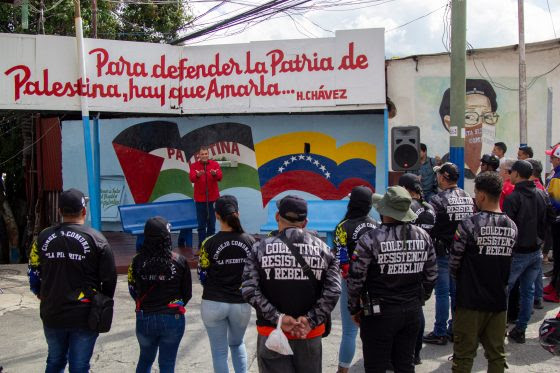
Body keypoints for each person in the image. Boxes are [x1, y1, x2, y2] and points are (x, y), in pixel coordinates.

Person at [242, 195, 341, 373]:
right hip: (309, 334)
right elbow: (333, 291)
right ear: (305, 222)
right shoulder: (325, 250)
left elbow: (249, 289)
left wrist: (278, 318)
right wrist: (310, 321)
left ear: (277, 217)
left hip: (271, 333)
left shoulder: (259, 249)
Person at [348, 186, 437, 373]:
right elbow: (431, 275)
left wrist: (355, 308)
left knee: (376, 366)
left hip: (378, 312)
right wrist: (420, 298)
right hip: (412, 310)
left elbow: (356, 279)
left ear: (383, 211)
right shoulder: (423, 236)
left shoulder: (370, 239)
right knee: (405, 364)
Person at [28, 188, 117, 373]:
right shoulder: (97, 239)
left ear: (60, 211)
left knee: (54, 361)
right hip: (84, 315)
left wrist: (40, 293)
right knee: (79, 366)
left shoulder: (43, 237)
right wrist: (101, 302)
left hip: (52, 311)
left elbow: (33, 271)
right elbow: (109, 280)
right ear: (84, 211)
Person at [449, 172, 517, 373]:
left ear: (482, 196)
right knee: (497, 355)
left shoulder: (469, 224)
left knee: (463, 356)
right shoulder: (512, 226)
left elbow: (454, 262)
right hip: (498, 300)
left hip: (470, 300)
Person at [198, 195, 256, 373]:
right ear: (237, 213)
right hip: (241, 303)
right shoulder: (251, 241)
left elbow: (202, 275)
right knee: (237, 344)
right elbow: (255, 275)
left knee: (219, 352)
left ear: (216, 215)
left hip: (213, 302)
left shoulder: (208, 243)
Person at [128, 216, 192, 373]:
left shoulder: (137, 261)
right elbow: (187, 294)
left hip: (145, 317)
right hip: (172, 317)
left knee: (145, 360)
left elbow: (132, 289)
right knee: (167, 364)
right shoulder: (180, 261)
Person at [424, 162, 475, 345]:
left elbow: (431, 226)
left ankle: (440, 332)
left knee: (443, 293)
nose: (437, 177)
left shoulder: (437, 200)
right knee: (456, 292)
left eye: (439, 174)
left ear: (444, 177)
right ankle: (455, 328)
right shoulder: (468, 197)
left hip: (443, 251)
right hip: (463, 252)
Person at [503, 160, 553, 343]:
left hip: (518, 252)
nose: (509, 175)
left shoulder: (513, 198)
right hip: (535, 250)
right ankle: (520, 329)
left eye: (511, 172)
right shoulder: (541, 194)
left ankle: (502, 328)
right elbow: (550, 219)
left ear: (516, 174)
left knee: (505, 289)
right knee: (528, 291)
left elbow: (508, 229)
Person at [333, 186, 378, 373]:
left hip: (350, 283)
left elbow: (340, 260)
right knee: (374, 331)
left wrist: (351, 283)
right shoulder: (376, 225)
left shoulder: (343, 227)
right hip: (375, 284)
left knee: (350, 332)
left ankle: (343, 370)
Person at [398, 173, 436, 365]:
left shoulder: (406, 209)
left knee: (406, 312)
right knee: (418, 309)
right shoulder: (429, 207)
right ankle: (416, 352)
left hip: (406, 263)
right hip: (425, 262)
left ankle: (406, 354)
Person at [439, 79, 499, 178]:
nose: (481, 124)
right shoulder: (446, 166)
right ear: (449, 123)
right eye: (470, 117)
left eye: (487, 116)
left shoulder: (495, 167)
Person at [189, 145, 223, 248]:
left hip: (213, 199)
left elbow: (220, 177)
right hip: (200, 200)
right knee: (201, 225)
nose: (204, 156)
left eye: (206, 154)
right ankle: (202, 246)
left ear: (208, 154)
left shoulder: (215, 164)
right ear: (199, 155)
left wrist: (214, 174)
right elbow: (191, 178)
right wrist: (198, 175)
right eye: (202, 154)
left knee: (212, 224)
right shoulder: (194, 166)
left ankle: (210, 246)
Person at [544, 144, 560, 303]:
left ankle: (557, 291)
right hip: (555, 220)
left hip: (557, 217)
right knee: (557, 255)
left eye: (553, 157)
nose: (551, 160)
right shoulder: (556, 172)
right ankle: (554, 284)